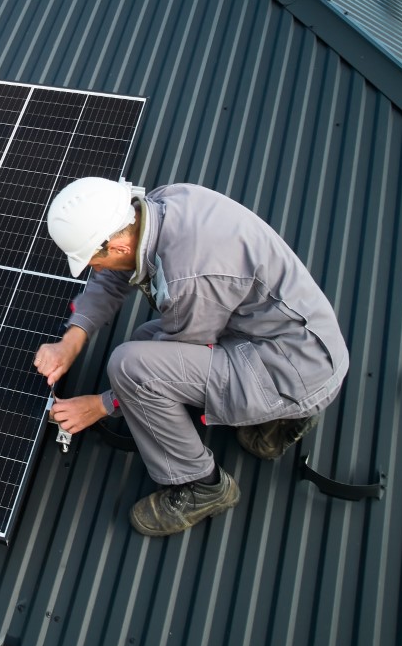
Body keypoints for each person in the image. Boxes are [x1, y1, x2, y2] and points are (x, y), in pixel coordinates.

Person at [35, 178, 349, 537]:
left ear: (118, 245)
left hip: (294, 368)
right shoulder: (156, 207)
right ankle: (281, 420)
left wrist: (100, 405)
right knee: (144, 343)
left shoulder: (189, 276)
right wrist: (72, 340)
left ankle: (203, 485)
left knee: (131, 366)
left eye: (93, 259)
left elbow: (163, 366)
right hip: (293, 337)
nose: (94, 268)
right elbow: (112, 278)